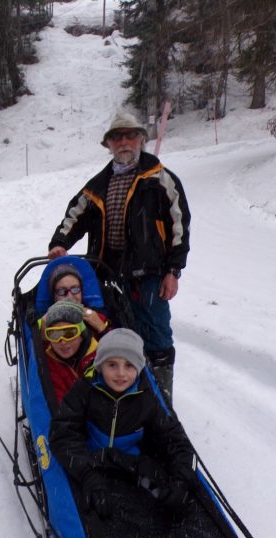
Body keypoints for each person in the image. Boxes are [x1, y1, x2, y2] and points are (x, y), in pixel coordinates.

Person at [50, 329, 246, 538]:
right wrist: (86, 474)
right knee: (101, 522)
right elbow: (62, 433)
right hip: (94, 466)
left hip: (131, 468)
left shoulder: (147, 399)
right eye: (112, 364)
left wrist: (182, 481)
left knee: (165, 517)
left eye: (129, 366)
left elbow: (176, 440)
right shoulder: (85, 391)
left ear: (139, 368)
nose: (121, 373)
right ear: (100, 366)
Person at [47, 110, 191, 403]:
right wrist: (60, 243)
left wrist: (173, 270)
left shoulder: (160, 179)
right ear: (109, 144)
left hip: (149, 276)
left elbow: (179, 227)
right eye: (117, 137)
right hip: (105, 274)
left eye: (130, 136)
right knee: (109, 336)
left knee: (156, 338)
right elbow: (74, 216)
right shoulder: (98, 185)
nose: (124, 142)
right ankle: (116, 400)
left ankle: (161, 404)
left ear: (141, 139)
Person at [42, 300, 98, 404]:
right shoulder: (49, 363)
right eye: (54, 334)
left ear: (82, 335)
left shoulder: (99, 356)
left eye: (69, 333)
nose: (63, 341)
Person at [47, 263, 109, 338]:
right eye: (62, 291)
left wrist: (102, 328)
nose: (70, 296)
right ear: (54, 296)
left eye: (75, 289)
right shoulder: (45, 324)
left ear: (81, 292)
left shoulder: (97, 317)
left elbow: (117, 346)